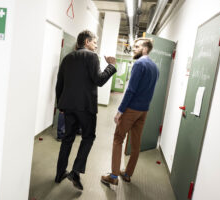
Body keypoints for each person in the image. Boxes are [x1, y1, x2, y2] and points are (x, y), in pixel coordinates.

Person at [54, 30, 117, 190]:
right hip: (86, 107)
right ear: (87, 42)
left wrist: (60, 105)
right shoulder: (92, 57)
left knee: (67, 139)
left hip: (67, 106)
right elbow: (99, 80)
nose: (96, 46)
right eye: (95, 42)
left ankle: (60, 173)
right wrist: (111, 66)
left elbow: (59, 83)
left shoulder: (67, 57)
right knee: (88, 137)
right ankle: (75, 171)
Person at [101, 38, 159, 185]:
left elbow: (131, 90)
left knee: (118, 139)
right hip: (143, 110)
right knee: (135, 143)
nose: (133, 49)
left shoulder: (139, 64)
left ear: (145, 49)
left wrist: (120, 111)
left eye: (137, 46)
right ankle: (127, 173)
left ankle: (113, 176)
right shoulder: (155, 67)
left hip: (131, 109)